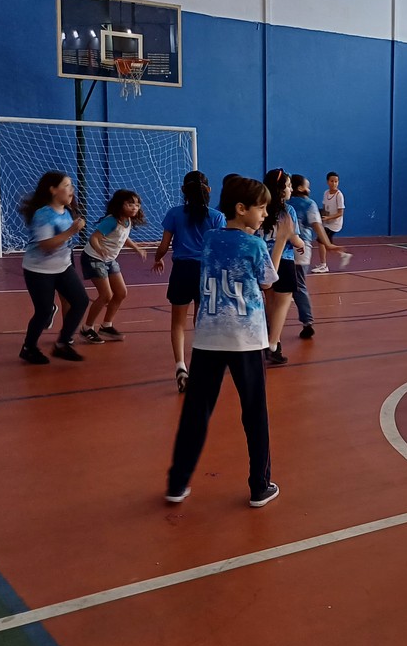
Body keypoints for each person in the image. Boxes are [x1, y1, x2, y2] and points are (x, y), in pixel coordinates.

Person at [165, 175, 287, 507]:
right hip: (245, 339)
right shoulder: (254, 245)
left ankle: (177, 483)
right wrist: (279, 242)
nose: (265, 214)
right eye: (261, 208)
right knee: (255, 412)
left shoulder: (209, 238)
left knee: (196, 412)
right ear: (241, 208)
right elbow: (268, 282)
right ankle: (259, 485)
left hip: (208, 338)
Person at [153, 171, 226, 392]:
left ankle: (180, 366)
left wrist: (158, 258)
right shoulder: (217, 216)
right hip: (206, 271)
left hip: (182, 270)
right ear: (209, 190)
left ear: (183, 190)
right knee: (201, 321)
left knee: (178, 323)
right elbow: (219, 247)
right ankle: (200, 366)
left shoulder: (174, 214)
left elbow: (164, 246)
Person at [18, 171, 90, 364]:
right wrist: (72, 231)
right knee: (43, 311)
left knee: (81, 301)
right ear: (53, 190)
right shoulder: (43, 214)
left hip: (63, 267)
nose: (71, 189)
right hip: (39, 270)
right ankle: (29, 348)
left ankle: (63, 343)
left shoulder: (66, 212)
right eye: (66, 185)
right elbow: (46, 246)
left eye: (71, 185)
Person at [78, 189, 148, 344]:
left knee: (121, 292)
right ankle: (87, 328)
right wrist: (99, 249)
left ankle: (106, 326)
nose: (134, 207)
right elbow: (94, 238)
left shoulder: (127, 221)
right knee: (106, 295)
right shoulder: (111, 221)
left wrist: (136, 248)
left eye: (137, 205)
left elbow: (123, 237)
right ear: (120, 204)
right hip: (94, 258)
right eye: (130, 204)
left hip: (109, 260)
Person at [287, 174, 348, 339]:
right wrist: (328, 244)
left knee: (277, 288)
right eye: (307, 185)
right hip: (301, 249)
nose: (309, 188)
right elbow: (317, 225)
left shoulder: (285, 203)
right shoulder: (309, 204)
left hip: (282, 249)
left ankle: (271, 325)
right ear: (300, 188)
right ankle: (307, 322)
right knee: (299, 286)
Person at [258, 169, 306, 364]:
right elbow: (293, 238)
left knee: (270, 302)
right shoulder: (288, 211)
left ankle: (271, 342)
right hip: (283, 261)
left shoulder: (261, 208)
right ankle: (273, 345)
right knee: (283, 304)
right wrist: (301, 244)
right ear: (280, 190)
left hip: (264, 259)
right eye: (288, 186)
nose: (291, 189)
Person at [313, 171, 345, 273]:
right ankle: (343, 254)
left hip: (335, 224)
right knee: (327, 244)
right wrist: (322, 216)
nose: (334, 183)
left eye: (336, 181)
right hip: (327, 222)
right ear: (327, 182)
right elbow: (325, 208)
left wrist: (329, 218)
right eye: (332, 181)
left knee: (321, 241)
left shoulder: (339, 195)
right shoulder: (326, 193)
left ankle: (323, 265)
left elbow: (340, 213)